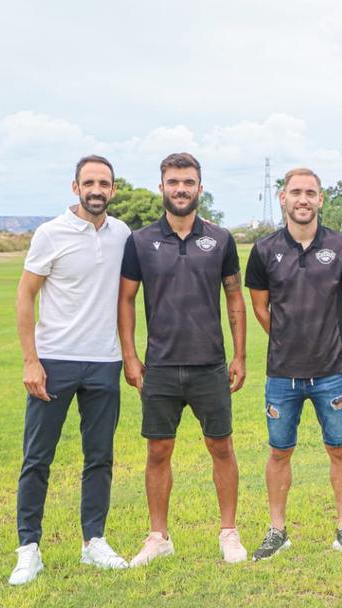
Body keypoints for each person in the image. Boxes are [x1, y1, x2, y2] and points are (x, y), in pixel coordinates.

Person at [118, 152, 248, 566]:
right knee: (158, 451)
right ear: (162, 187)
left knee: (221, 447)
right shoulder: (139, 241)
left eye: (188, 182)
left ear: (199, 188)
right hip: (159, 365)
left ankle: (229, 532)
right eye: (173, 182)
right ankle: (159, 536)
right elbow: (125, 299)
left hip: (209, 363)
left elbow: (234, 297)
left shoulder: (221, 239)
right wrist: (130, 356)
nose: (180, 189)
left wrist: (240, 354)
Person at [10, 155, 132, 585]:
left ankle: (93, 542)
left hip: (104, 361)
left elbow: (126, 299)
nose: (96, 189)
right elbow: (26, 296)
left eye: (104, 183)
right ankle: (29, 549)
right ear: (74, 186)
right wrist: (31, 360)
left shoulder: (122, 235)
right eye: (89, 182)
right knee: (37, 458)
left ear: (113, 189)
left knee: (99, 457)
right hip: (55, 360)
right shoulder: (50, 234)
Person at [244, 168, 342, 560]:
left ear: (320, 199)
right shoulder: (264, 250)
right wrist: (290, 337)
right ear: (283, 197)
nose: (303, 199)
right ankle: (277, 530)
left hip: (330, 372)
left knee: (340, 449)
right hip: (282, 373)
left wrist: (321, 334)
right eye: (296, 192)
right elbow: (261, 308)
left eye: (310, 192)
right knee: (280, 451)